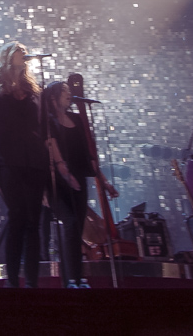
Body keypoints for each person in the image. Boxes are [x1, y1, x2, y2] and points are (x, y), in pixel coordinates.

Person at [0, 42, 49, 288]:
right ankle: (12, 282)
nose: (23, 54)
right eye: (19, 50)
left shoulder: (33, 88)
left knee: (33, 219)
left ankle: (31, 281)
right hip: (7, 158)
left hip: (35, 159)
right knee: (17, 214)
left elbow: (40, 125)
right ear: (8, 56)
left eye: (24, 51)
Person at [43, 80, 119, 288]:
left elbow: (88, 156)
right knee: (70, 224)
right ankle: (69, 279)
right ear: (53, 97)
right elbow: (51, 147)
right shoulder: (48, 121)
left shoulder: (77, 119)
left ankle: (76, 278)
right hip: (58, 182)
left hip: (78, 182)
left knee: (76, 230)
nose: (69, 94)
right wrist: (64, 172)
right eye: (65, 91)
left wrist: (104, 183)